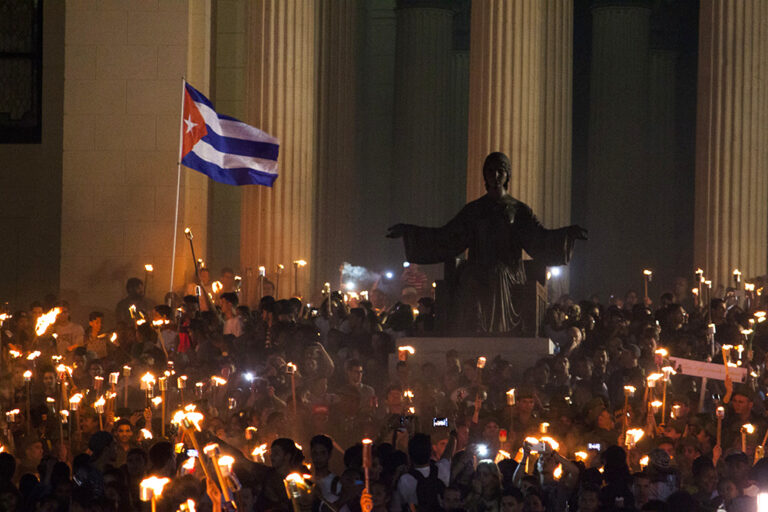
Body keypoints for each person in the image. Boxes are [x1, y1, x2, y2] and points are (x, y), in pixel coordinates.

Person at [387, 152, 587, 334]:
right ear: (485, 175)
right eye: (491, 171)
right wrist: (409, 232)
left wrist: (567, 235)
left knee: (496, 273)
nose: (496, 175)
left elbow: (539, 238)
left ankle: (497, 333)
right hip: (476, 267)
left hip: (509, 270)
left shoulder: (519, 210)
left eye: (501, 171)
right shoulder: (473, 209)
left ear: (507, 175)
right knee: (471, 277)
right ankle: (471, 333)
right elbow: (446, 236)